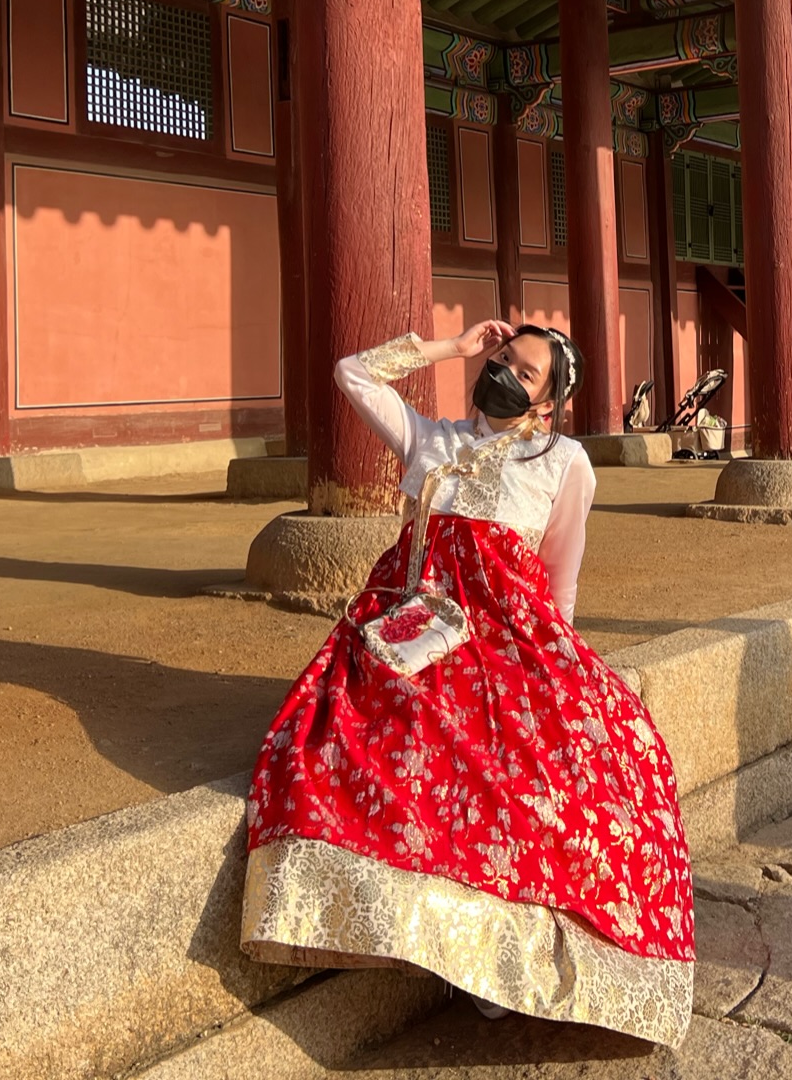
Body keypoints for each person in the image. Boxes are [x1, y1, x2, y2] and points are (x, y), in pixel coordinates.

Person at [240, 322, 694, 1046]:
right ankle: (420, 932)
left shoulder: (563, 461)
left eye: (527, 372)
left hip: (504, 633)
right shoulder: (430, 440)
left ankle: (508, 954)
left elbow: (558, 577)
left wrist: (560, 660)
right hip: (410, 629)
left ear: (549, 403)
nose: (506, 373)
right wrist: (447, 347)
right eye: (504, 359)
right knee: (361, 743)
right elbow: (351, 373)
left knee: (574, 758)